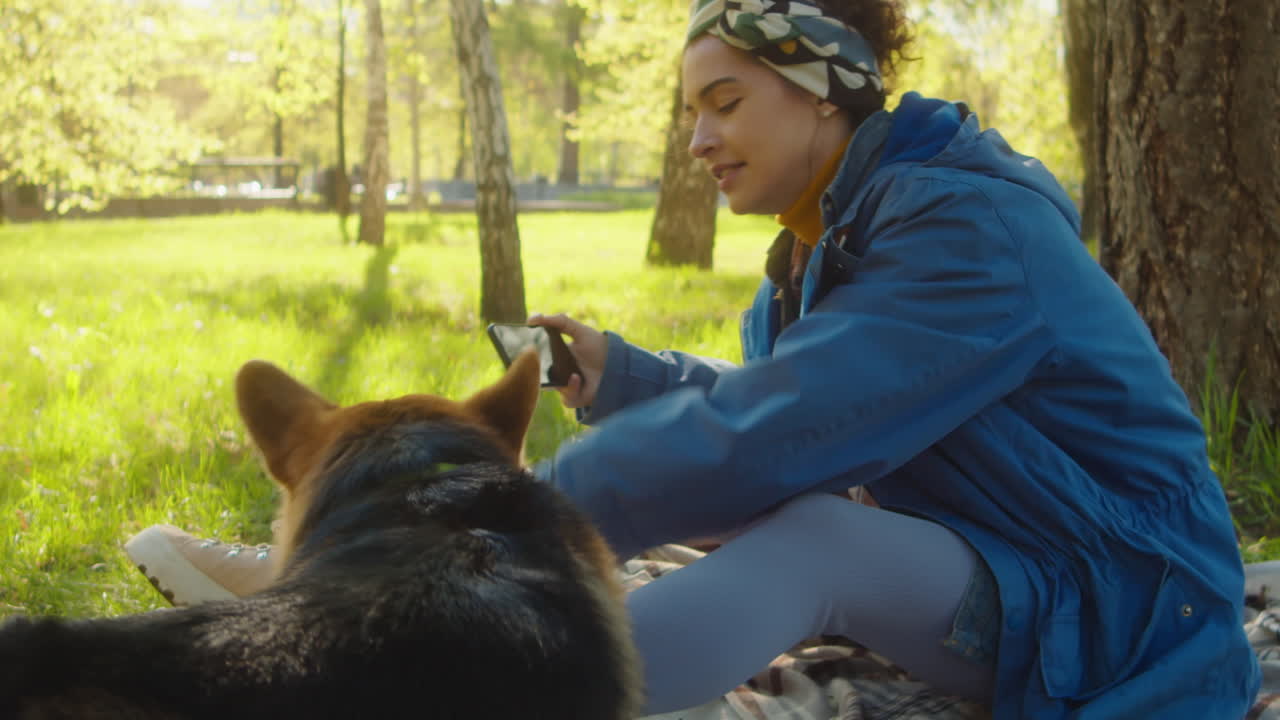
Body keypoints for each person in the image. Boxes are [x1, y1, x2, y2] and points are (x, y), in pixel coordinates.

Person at [126, 0, 1261, 716]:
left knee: (809, 534)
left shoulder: (967, 228)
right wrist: (627, 379)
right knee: (777, 512)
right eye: (688, 111)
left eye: (724, 102)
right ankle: (384, 608)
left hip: (1125, 602)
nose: (699, 138)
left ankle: (436, 663)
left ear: (824, 90)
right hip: (1013, 567)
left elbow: (789, 432)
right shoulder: (822, 250)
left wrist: (477, 515)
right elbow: (784, 409)